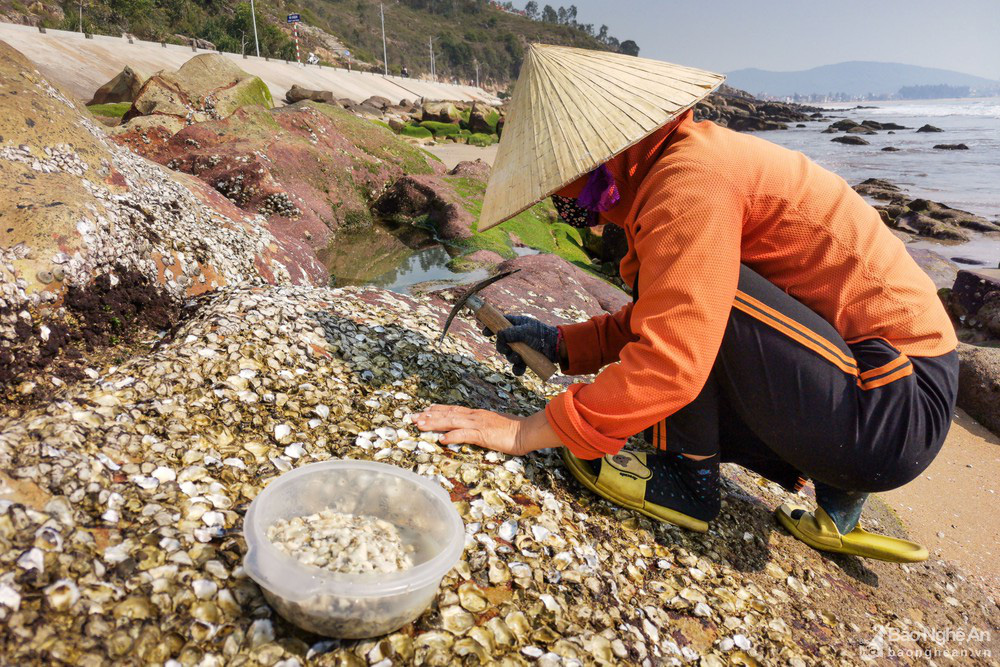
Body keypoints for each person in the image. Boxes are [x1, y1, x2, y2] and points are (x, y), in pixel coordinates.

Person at [414, 45, 958, 562]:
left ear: (600, 155)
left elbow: (677, 347)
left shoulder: (690, 180)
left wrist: (524, 431)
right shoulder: (681, 161)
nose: (557, 201)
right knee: (694, 302)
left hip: (895, 405)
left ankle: (686, 480)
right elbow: (676, 306)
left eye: (555, 181)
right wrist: (565, 345)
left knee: (693, 321)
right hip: (873, 393)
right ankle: (839, 499)